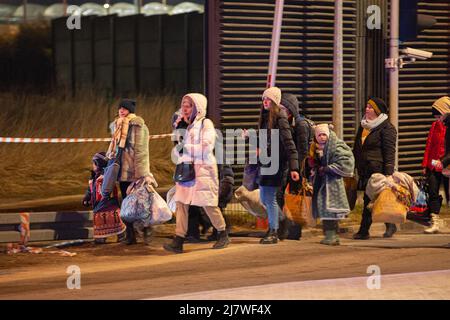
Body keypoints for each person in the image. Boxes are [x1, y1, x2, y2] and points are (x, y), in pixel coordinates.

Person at [163, 93, 230, 253]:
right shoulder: (186, 125)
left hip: (203, 170)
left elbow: (206, 146)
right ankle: (178, 239)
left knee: (208, 204)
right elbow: (178, 148)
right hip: (187, 169)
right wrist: (178, 130)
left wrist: (186, 148)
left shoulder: (206, 124)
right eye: (183, 105)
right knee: (181, 203)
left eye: (189, 105)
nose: (184, 109)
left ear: (197, 108)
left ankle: (222, 232)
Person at [107, 99, 157, 245]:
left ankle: (147, 229)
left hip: (135, 172)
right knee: (126, 204)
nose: (121, 111)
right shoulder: (117, 125)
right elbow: (115, 147)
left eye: (124, 108)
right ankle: (131, 235)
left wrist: (142, 174)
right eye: (120, 108)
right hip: (122, 171)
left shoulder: (138, 126)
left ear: (130, 111)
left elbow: (141, 151)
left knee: (141, 203)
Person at [257, 87, 300, 244]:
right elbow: (265, 140)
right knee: (264, 198)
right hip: (267, 162)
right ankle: (285, 222)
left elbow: (289, 143)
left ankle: (273, 231)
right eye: (263, 99)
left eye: (268, 99)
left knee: (269, 198)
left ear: (275, 102)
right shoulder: (265, 117)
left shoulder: (280, 117)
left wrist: (294, 168)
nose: (265, 102)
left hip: (277, 163)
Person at [352, 97, 397, 240]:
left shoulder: (387, 128)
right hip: (364, 169)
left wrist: (388, 173)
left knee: (368, 198)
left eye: (370, 107)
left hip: (378, 170)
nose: (367, 109)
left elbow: (390, 151)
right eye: (367, 106)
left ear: (378, 111)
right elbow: (357, 147)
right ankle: (390, 224)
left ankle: (364, 230)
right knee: (376, 199)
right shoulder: (364, 126)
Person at [309, 124, 355, 245]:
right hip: (322, 184)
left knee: (331, 210)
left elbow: (346, 160)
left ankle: (332, 235)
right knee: (325, 209)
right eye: (319, 135)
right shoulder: (315, 148)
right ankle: (331, 235)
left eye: (324, 134)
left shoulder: (337, 146)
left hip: (333, 184)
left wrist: (328, 168)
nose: (322, 137)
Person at [277, 93, 314, 240]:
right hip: (288, 166)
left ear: (291, 109)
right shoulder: (286, 122)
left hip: (298, 168)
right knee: (282, 196)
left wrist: (297, 170)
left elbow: (303, 151)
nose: (280, 111)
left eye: (283, 108)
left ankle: (293, 230)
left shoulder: (301, 125)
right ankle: (284, 228)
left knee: (295, 197)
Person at [82, 152, 126, 244]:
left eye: (94, 163)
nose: (93, 166)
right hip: (98, 205)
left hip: (108, 204)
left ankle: (121, 236)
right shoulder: (93, 177)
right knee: (101, 221)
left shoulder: (107, 177)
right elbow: (90, 190)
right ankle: (101, 238)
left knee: (115, 220)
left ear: (99, 164)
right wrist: (87, 198)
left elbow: (108, 190)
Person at [424, 96, 450, 233]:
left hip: (447, 164)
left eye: (438, 115)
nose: (437, 119)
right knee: (432, 191)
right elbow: (429, 145)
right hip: (435, 163)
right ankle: (434, 221)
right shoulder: (436, 126)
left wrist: (444, 162)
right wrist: (426, 165)